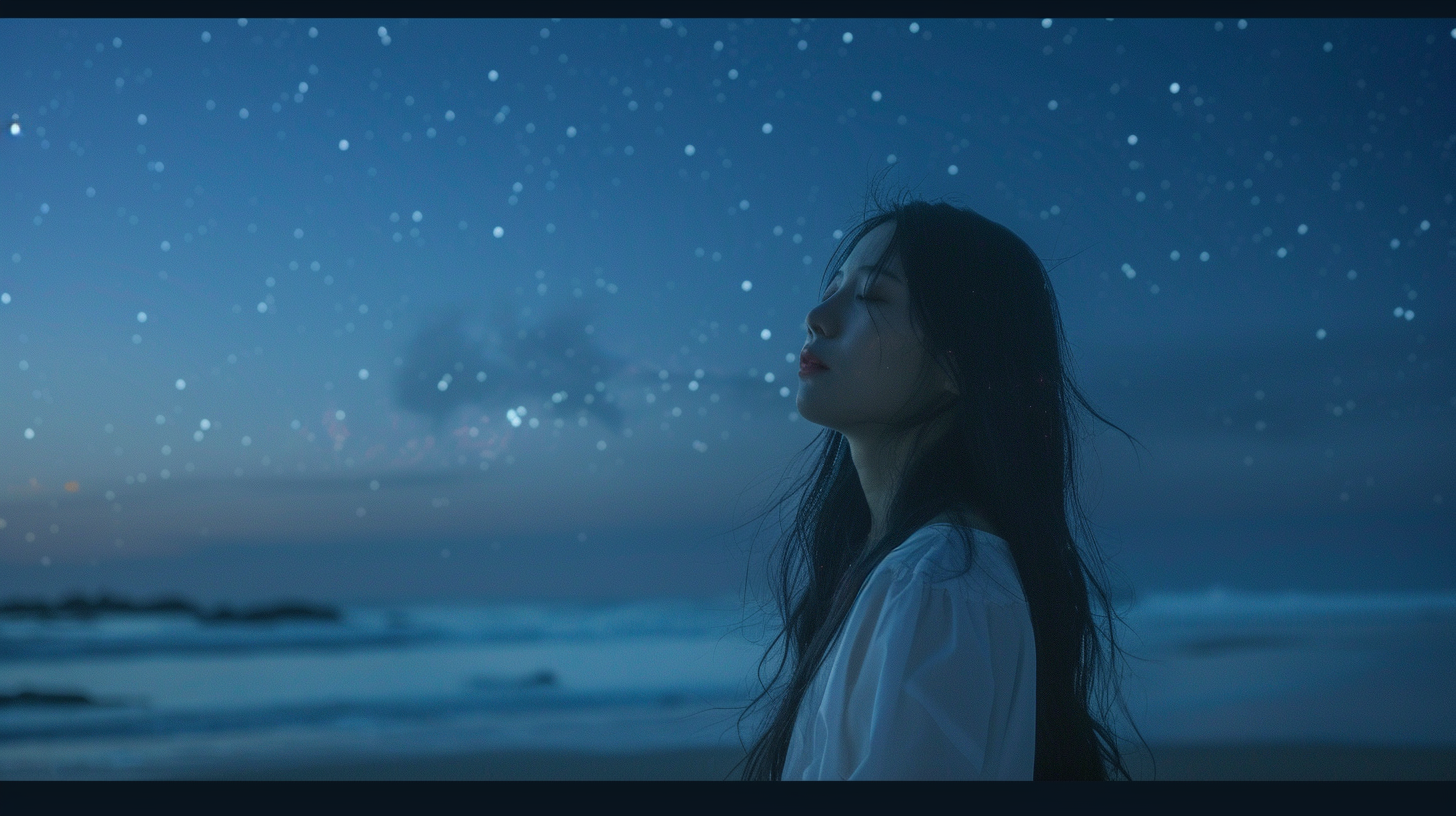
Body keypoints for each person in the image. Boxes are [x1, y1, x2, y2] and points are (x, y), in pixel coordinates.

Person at [737, 195, 1136, 780]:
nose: (817, 316)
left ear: (957, 364)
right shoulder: (919, 574)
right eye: (834, 286)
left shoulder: (937, 585)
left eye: (872, 295)